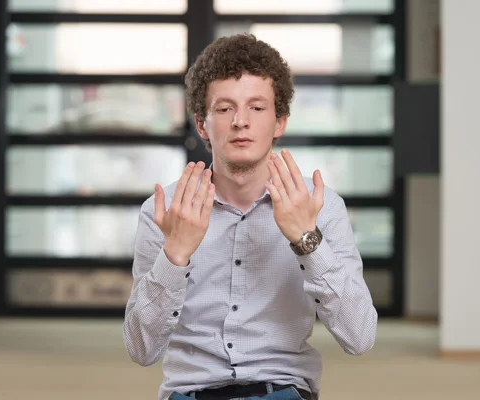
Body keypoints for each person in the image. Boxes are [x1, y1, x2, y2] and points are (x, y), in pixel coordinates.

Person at [123, 33, 378, 400]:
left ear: (279, 122)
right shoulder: (164, 213)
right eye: (225, 109)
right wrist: (174, 256)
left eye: (257, 108)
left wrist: (307, 240)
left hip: (284, 390)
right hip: (191, 392)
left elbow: (360, 337)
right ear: (201, 124)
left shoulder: (320, 207)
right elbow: (140, 350)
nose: (241, 122)